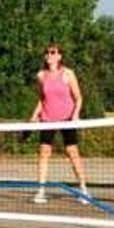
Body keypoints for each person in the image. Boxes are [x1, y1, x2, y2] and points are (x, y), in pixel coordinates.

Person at [29, 43, 89, 204]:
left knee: (72, 152)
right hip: (47, 119)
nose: (49, 55)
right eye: (47, 52)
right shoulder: (41, 75)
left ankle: (84, 189)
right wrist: (34, 116)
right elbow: (42, 99)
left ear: (59, 56)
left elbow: (79, 98)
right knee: (44, 152)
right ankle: (41, 191)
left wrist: (75, 114)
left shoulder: (68, 74)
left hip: (67, 119)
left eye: (53, 52)